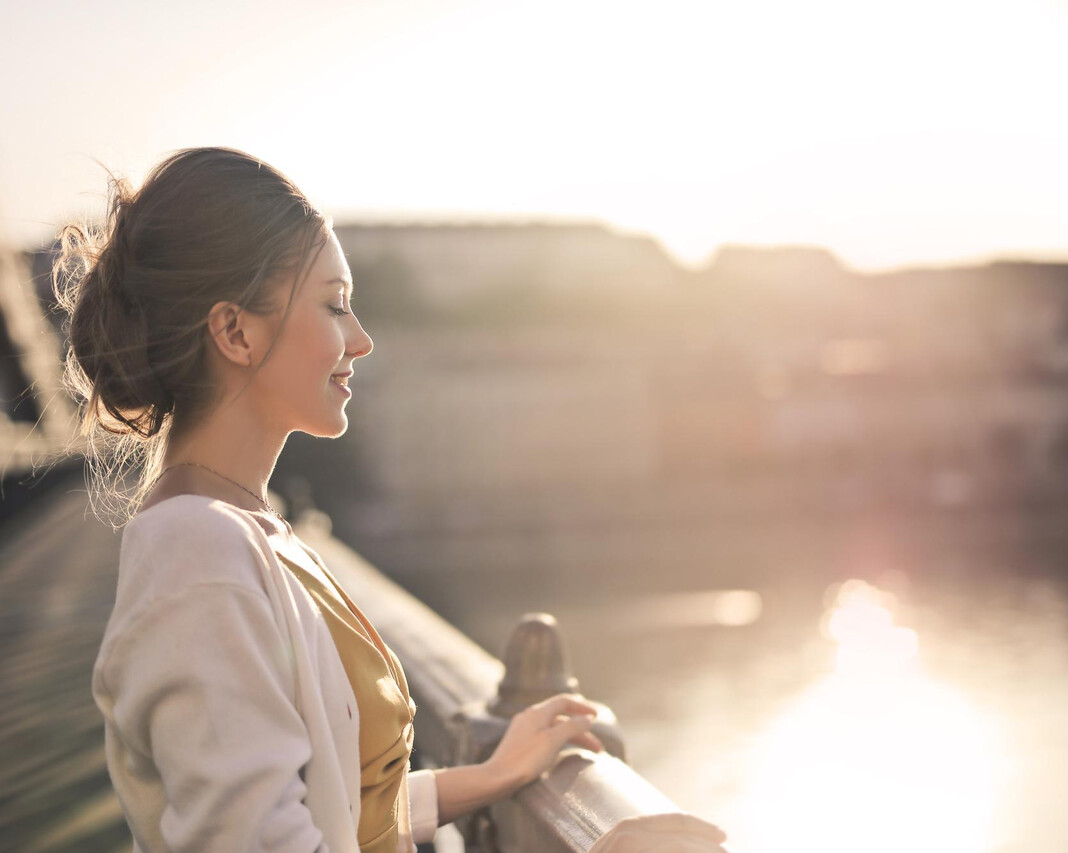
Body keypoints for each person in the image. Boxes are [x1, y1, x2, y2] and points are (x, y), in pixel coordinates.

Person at [55, 147, 726, 852]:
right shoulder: (197, 552)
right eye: (335, 305)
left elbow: (327, 809)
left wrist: (493, 776)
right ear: (235, 332)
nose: (362, 340)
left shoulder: (240, 529)